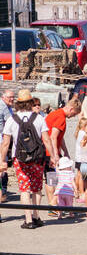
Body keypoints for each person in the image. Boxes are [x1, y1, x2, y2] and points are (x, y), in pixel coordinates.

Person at [0, 90, 49, 228]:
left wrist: (2, 160)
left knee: (24, 188)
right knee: (37, 188)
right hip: (37, 158)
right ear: (31, 103)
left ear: (18, 103)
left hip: (19, 158)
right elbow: (46, 139)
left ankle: (28, 220)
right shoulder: (39, 118)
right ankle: (36, 216)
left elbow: (5, 143)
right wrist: (54, 156)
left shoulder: (12, 119)